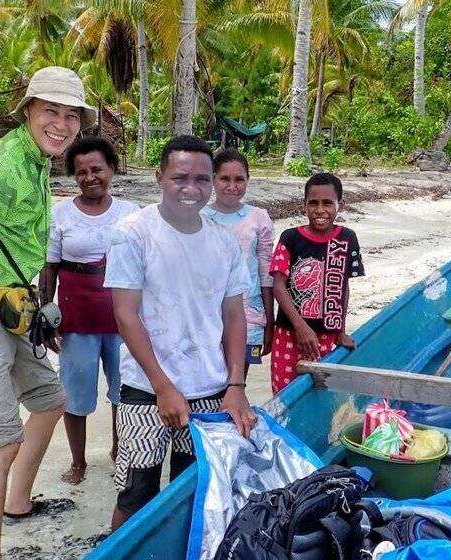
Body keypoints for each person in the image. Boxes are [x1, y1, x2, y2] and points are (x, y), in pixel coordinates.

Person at [0, 67, 95, 560]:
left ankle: (18, 502)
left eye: (71, 115)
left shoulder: (37, 160)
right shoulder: (4, 165)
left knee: (49, 400)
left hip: (12, 301)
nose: (62, 124)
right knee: (0, 442)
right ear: (27, 110)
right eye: (51, 111)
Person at [104, 135, 258, 529]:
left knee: (194, 490)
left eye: (202, 179)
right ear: (159, 177)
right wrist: (163, 387)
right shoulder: (132, 233)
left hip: (209, 389)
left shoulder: (224, 241)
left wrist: (236, 385)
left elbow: (234, 315)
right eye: (180, 178)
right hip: (145, 387)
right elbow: (126, 315)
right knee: (136, 495)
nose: (192, 189)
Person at [40, 137, 139, 485]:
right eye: (81, 172)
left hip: (123, 317)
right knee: (75, 391)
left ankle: (119, 450)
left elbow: (144, 265)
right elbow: (49, 267)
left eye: (97, 169)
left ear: (112, 169)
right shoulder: (60, 213)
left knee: (125, 389)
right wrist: (46, 313)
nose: (89, 177)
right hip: (76, 317)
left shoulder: (130, 213)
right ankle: (78, 461)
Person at [270, 172, 365, 394]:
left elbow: (342, 286)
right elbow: (278, 286)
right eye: (313, 203)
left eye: (327, 203)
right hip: (289, 335)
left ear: (339, 205)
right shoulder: (290, 238)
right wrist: (301, 327)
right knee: (284, 393)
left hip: (327, 336)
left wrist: (340, 331)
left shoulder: (347, 238)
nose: (320, 210)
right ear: (304, 205)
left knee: (321, 394)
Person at [202, 148, 274, 378]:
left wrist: (269, 321)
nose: (232, 186)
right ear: (213, 179)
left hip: (249, 315)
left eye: (239, 179)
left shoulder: (258, 218)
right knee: (208, 380)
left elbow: (266, 271)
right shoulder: (200, 217)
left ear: (248, 181)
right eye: (225, 178)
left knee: (237, 380)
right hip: (206, 314)